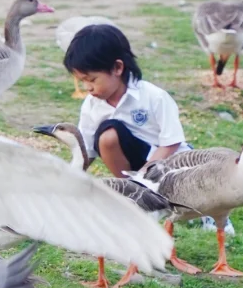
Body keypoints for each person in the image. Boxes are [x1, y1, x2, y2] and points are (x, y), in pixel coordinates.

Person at [64, 23, 186, 177]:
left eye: (92, 80)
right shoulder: (91, 105)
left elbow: (171, 142)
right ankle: (130, 190)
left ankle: (139, 187)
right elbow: (86, 151)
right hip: (136, 172)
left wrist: (145, 175)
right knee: (108, 136)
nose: (87, 87)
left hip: (172, 165)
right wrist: (67, 179)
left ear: (117, 68)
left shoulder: (154, 97)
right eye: (82, 81)